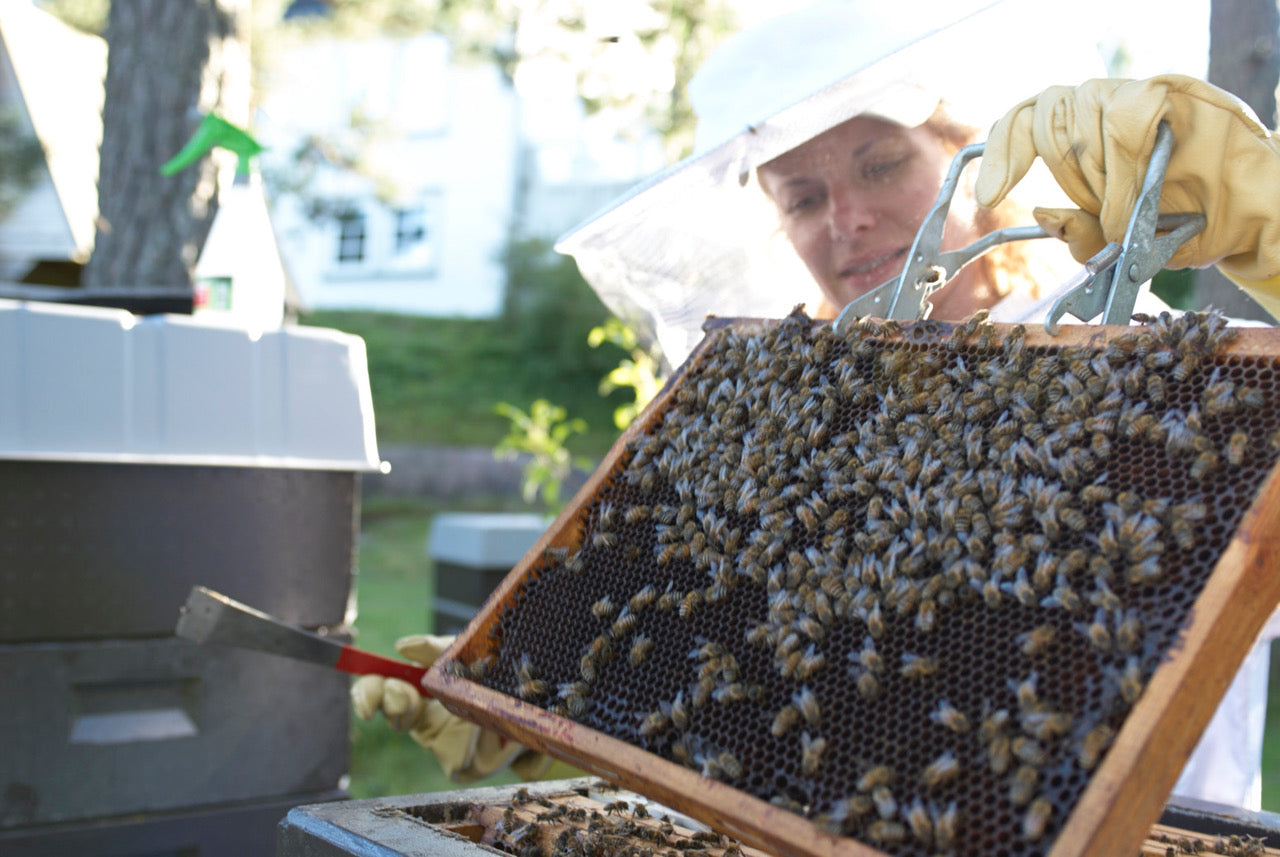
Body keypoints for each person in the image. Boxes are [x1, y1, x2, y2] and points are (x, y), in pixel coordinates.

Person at [357, 0, 1280, 809]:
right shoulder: (797, 421)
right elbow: (748, 671)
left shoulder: (1155, 371)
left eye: (880, 166)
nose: (846, 219)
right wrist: (545, 691)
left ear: (975, 162)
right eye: (802, 198)